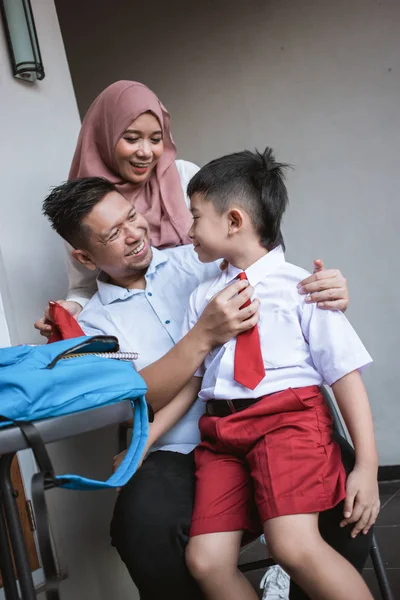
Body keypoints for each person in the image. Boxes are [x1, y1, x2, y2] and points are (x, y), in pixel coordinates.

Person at [41, 176, 369, 600]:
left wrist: (328, 289)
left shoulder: (201, 260)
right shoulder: (93, 325)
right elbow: (136, 398)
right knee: (143, 527)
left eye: (132, 217)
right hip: (183, 449)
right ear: (85, 257)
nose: (135, 234)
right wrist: (201, 337)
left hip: (271, 421)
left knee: (343, 486)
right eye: (114, 234)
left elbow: (275, 278)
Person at [171, 148, 379, 600]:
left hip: (288, 420)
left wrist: (366, 465)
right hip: (221, 432)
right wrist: (145, 440)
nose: (187, 231)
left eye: (195, 217)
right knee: (205, 562)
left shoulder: (302, 287)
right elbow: (193, 380)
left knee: (292, 545)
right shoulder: (203, 298)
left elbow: (344, 375)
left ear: (233, 221)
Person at [35, 80, 349, 338]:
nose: (146, 152)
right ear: (103, 138)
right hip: (149, 334)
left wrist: (307, 290)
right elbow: (84, 288)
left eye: (156, 139)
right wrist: (74, 312)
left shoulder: (183, 176)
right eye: (131, 139)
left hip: (222, 312)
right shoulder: (81, 213)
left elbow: (250, 246)